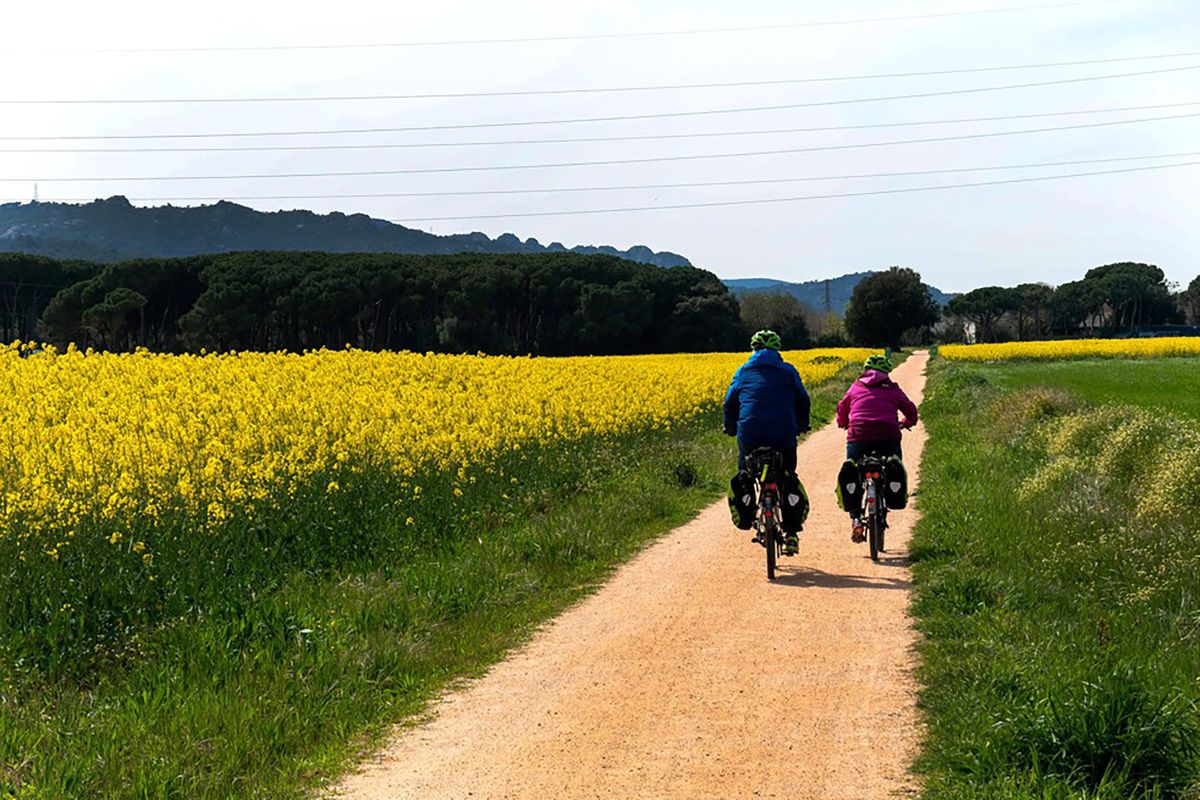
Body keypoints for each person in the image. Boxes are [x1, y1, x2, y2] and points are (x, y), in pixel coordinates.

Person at [723, 330, 811, 555]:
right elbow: (803, 399)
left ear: (753, 350)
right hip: (783, 435)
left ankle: (750, 512)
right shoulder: (788, 371)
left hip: (750, 436)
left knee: (745, 472)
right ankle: (791, 533)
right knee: (787, 475)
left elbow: (730, 402)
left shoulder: (743, 371)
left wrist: (731, 427)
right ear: (777, 350)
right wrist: (802, 424)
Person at [835, 354, 918, 542]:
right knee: (893, 465)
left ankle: (856, 519)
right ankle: (889, 496)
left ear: (864, 371)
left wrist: (843, 423)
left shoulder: (856, 387)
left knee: (853, 470)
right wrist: (907, 422)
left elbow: (842, 407)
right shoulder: (893, 389)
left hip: (859, 435)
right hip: (888, 435)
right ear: (886, 372)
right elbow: (910, 410)